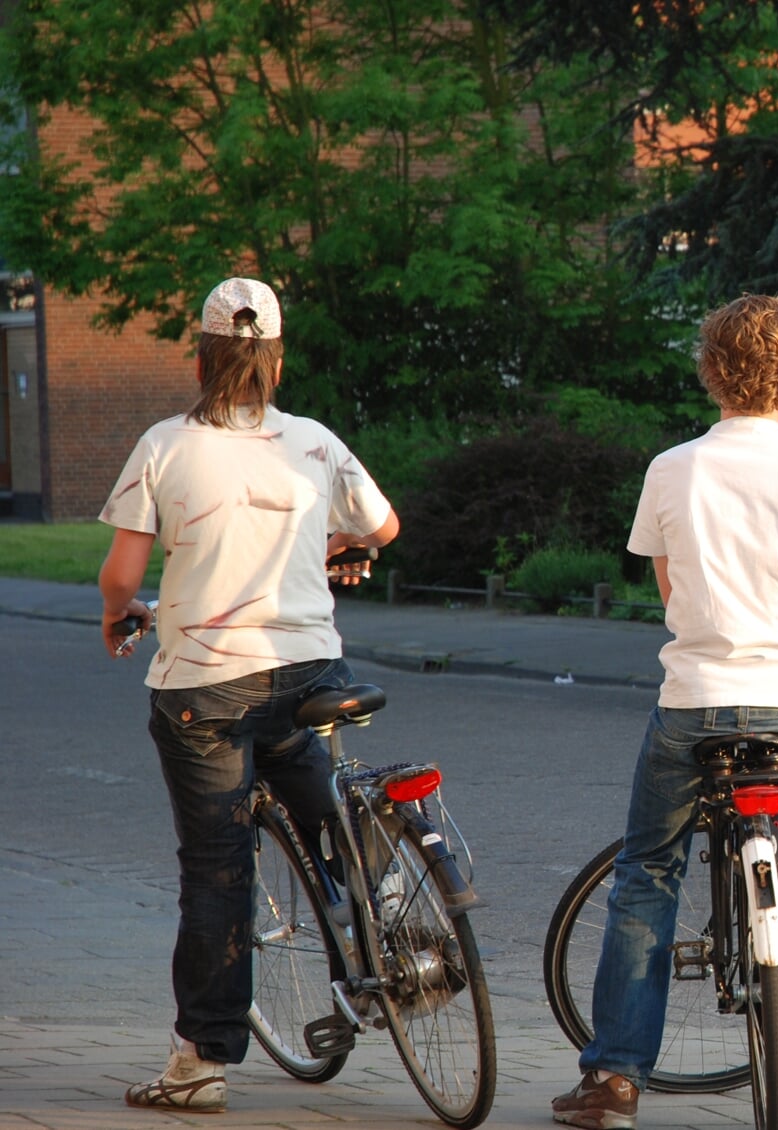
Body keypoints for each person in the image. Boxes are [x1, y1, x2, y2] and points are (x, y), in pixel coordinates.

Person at [553, 294, 778, 1130]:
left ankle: (616, 1081)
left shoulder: (673, 468)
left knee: (646, 876)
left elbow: (672, 596)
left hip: (692, 704)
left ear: (712, 371)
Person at [99, 277, 399, 1113]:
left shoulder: (165, 444)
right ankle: (396, 916)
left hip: (206, 684)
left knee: (218, 869)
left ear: (201, 357)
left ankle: (201, 1064)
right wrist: (327, 544)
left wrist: (120, 615)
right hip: (308, 670)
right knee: (327, 807)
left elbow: (123, 575)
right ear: (276, 359)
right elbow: (384, 528)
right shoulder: (312, 441)